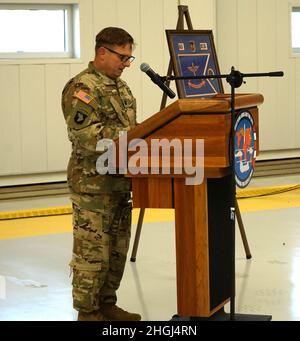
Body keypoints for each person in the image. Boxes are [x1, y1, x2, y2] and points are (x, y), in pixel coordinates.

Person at [61, 27, 140, 321]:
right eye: (122, 57)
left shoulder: (122, 89)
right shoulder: (83, 87)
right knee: (93, 253)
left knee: (117, 251)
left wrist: (139, 137)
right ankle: (87, 311)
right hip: (92, 186)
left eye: (130, 58)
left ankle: (107, 303)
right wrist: (133, 137)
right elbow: (85, 135)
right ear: (102, 52)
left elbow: (134, 131)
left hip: (121, 183)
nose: (126, 64)